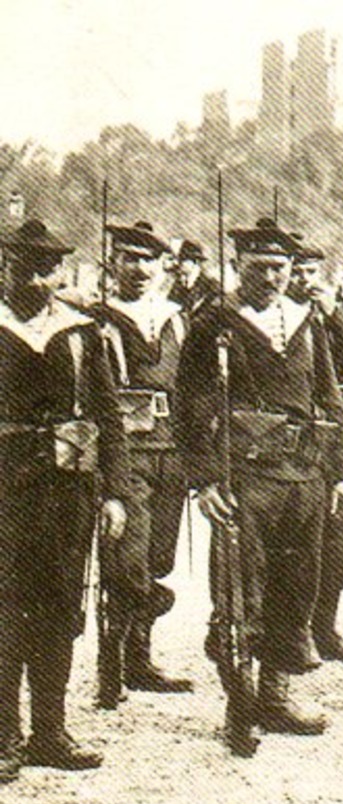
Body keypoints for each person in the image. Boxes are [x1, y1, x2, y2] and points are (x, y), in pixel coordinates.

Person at [176, 217, 343, 757]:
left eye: (280, 269)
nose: (272, 279)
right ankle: (240, 705)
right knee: (238, 592)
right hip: (243, 480)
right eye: (260, 269)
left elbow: (330, 401)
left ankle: (276, 696)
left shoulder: (308, 321)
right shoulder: (215, 324)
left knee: (295, 587)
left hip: (303, 478)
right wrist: (204, 478)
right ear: (238, 268)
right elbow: (189, 405)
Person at [0, 219, 131, 779]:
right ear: (6, 268)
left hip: (67, 492)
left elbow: (109, 418)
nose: (35, 277)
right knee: (5, 609)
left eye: (46, 267)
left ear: (59, 273)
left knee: (59, 607)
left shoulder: (81, 334)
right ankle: (5, 735)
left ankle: (50, 731)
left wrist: (116, 492)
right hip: (5, 492)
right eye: (23, 265)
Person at [87, 220, 195, 708]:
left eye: (148, 260)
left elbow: (193, 388)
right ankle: (110, 666)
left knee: (158, 559)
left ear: (162, 267)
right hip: (125, 452)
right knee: (125, 563)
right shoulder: (96, 320)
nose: (139, 269)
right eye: (129, 258)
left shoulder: (176, 318)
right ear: (113, 263)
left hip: (170, 451)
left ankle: (139, 658)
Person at [288, 241, 343, 663]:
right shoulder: (277, 322)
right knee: (298, 542)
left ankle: (325, 627)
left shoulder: (332, 312)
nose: (302, 282)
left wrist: (334, 313)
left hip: (335, 433)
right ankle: (296, 631)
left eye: (310, 274)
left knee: (342, 541)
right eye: (296, 273)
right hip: (294, 439)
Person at [167, 239, 220, 318]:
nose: (179, 264)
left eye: (183, 259)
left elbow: (212, 315)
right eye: (180, 259)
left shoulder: (211, 286)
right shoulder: (178, 285)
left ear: (196, 261)